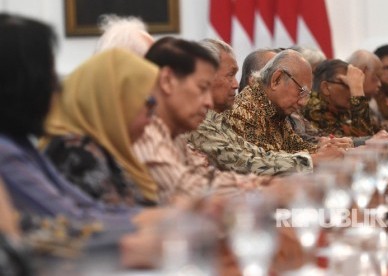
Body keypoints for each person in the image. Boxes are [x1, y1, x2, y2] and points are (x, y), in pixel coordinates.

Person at [133, 37, 275, 205]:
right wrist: (262, 189)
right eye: (202, 88)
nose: (208, 102)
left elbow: (205, 175)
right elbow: (188, 189)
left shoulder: (174, 133)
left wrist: (262, 185)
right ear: (167, 81)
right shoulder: (146, 132)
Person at [42, 48, 159, 205]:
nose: (150, 120)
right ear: (115, 102)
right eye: (148, 104)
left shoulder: (104, 148)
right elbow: (116, 223)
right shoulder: (75, 154)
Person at [189, 40, 324, 175]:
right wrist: (312, 160)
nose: (236, 85)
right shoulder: (239, 111)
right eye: (230, 75)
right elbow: (242, 162)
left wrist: (320, 149)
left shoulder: (213, 117)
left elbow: (252, 152)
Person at [223, 49, 349, 154]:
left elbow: (295, 146)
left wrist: (322, 149)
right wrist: (314, 158)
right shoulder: (244, 110)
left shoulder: (275, 109)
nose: (303, 102)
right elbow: (263, 163)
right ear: (276, 80)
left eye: (306, 95)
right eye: (301, 91)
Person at [301, 59, 372, 137]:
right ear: (326, 88)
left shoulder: (341, 109)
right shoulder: (313, 108)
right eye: (347, 84)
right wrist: (357, 90)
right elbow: (363, 141)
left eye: (353, 84)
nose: (352, 91)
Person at [347, 49, 388, 133]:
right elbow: (365, 133)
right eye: (376, 77)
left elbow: (376, 126)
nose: (379, 84)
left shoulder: (368, 98)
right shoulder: (345, 99)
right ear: (361, 72)